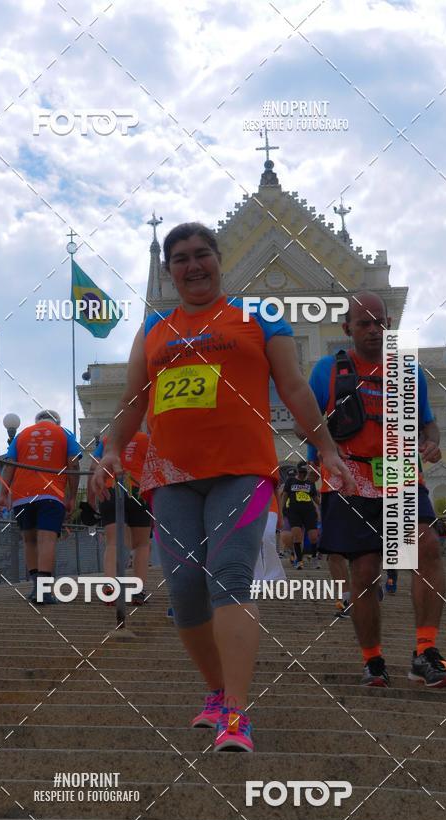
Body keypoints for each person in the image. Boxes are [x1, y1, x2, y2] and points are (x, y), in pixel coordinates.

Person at [90, 221, 354, 753]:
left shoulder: (260, 316)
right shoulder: (157, 326)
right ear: (170, 270)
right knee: (185, 587)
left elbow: (295, 387)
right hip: (171, 476)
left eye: (202, 254)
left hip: (244, 469)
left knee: (229, 574)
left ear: (219, 258)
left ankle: (236, 711)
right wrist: (113, 450)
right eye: (181, 258)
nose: (193, 265)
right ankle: (214, 693)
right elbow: (134, 396)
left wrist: (326, 449)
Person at [306, 291, 446, 689]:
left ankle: (425, 652)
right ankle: (373, 660)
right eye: (364, 324)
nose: (374, 330)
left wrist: (431, 442)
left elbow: (428, 422)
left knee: (425, 549)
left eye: (381, 323)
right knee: (367, 570)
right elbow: (307, 421)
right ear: (347, 329)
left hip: (400, 473)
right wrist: (323, 449)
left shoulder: (408, 371)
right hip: (349, 477)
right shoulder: (327, 371)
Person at [0, 410, 81, 605]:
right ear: (57, 422)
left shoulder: (22, 434)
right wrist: (72, 496)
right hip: (51, 494)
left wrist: (3, 494)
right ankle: (44, 592)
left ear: (37, 421)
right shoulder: (65, 433)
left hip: (21, 496)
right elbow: (74, 465)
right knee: (47, 540)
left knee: (29, 541)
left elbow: (9, 465)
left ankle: (36, 588)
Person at [90, 431, 152, 605]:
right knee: (141, 544)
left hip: (111, 489)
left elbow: (93, 467)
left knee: (113, 542)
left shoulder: (107, 439)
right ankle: (138, 591)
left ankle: (110, 587)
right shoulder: (146, 440)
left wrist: (90, 499)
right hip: (139, 490)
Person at [281, 461, 320, 570]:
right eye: (301, 472)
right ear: (298, 471)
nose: (303, 475)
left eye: (305, 472)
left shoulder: (310, 483)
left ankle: (314, 557)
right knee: (297, 535)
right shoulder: (291, 481)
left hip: (309, 511)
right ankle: (299, 560)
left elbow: (316, 499)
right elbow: (285, 495)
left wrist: (322, 507)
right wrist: (282, 508)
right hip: (294, 511)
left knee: (313, 536)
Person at [253, 488, 285, 583]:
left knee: (268, 536)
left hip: (270, 507)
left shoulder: (272, 472)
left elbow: (276, 491)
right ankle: (257, 577)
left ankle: (273, 573)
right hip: (250, 507)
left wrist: (280, 515)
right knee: (254, 541)